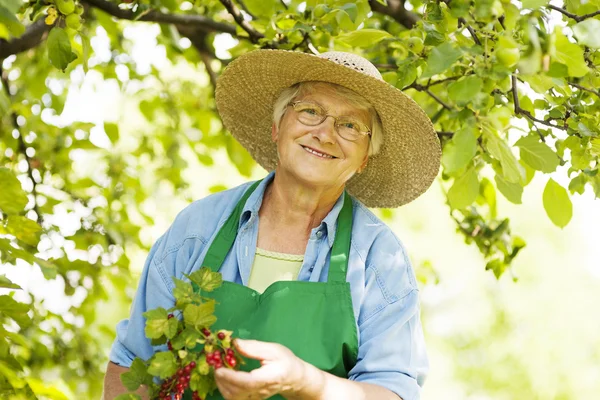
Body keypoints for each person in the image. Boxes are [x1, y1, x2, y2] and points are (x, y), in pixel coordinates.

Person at [103, 49, 441, 400]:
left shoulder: (379, 258)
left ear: (364, 161)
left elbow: (392, 393)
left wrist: (306, 383)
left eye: (351, 125)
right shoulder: (198, 228)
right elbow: (133, 361)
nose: (326, 134)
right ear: (277, 126)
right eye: (311, 111)